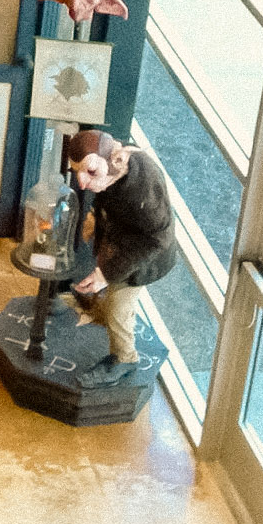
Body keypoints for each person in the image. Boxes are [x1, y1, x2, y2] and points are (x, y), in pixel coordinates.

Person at [66, 128, 177, 386]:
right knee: (101, 287)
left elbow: (158, 239)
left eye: (90, 172)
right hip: (118, 240)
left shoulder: (145, 187)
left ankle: (125, 358)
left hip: (142, 258)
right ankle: (96, 309)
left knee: (119, 307)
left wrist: (107, 274)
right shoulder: (113, 167)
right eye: (77, 172)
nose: (82, 183)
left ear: (116, 159)